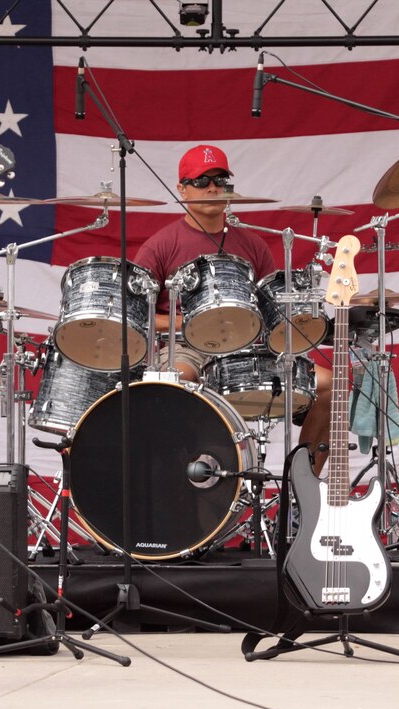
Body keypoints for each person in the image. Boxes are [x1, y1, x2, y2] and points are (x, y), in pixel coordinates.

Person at [133, 145, 334, 472]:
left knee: (330, 385)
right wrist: (191, 323)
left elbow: (272, 309)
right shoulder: (161, 245)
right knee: (174, 384)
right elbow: (136, 315)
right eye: (202, 181)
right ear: (182, 189)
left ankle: (304, 486)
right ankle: (185, 481)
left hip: (248, 348)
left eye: (220, 180)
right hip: (187, 347)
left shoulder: (253, 243)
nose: (213, 188)